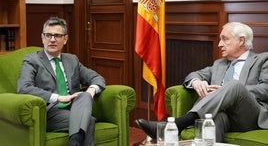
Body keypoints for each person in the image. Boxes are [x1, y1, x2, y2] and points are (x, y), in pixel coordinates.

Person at [136, 22, 268, 142]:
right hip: (223, 114)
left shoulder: (262, 60)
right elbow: (194, 75)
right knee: (213, 118)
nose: (219, 44)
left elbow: (265, 88)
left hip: (249, 116)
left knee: (234, 86)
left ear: (241, 41)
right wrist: (196, 82)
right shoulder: (219, 64)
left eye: (225, 39)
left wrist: (229, 91)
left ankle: (179, 123)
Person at [17, 17, 106, 146]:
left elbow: (97, 78)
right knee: (89, 120)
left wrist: (91, 91)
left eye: (57, 36)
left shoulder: (72, 60)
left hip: (75, 107)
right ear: (42, 38)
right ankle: (76, 140)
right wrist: (58, 98)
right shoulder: (32, 60)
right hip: (49, 111)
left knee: (85, 96)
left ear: (65, 39)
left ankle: (75, 141)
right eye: (48, 35)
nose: (52, 39)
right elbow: (23, 87)